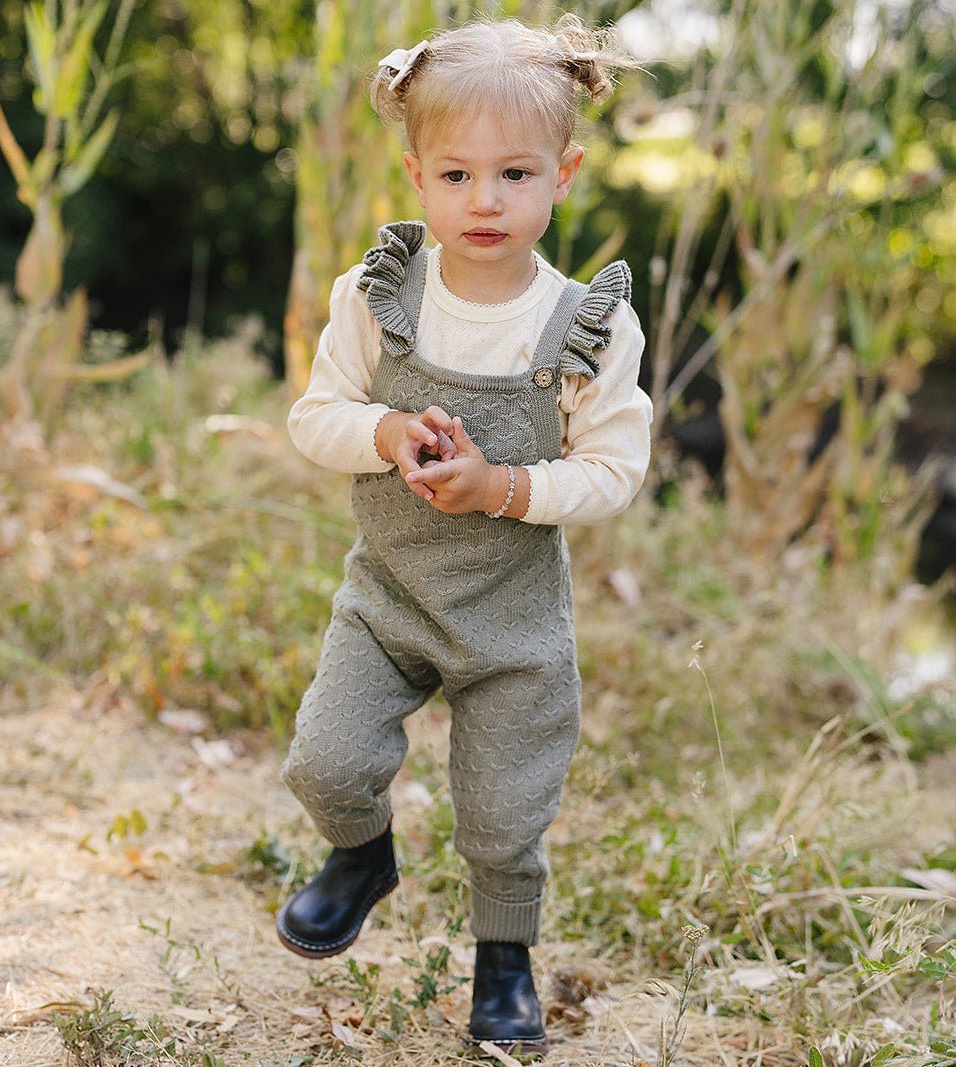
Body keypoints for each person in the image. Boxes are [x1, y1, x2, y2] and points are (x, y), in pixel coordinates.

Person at [278, 13, 652, 1058]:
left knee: (502, 816)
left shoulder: (587, 325)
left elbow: (613, 471)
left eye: (514, 174)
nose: (483, 201)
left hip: (510, 618)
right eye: (455, 175)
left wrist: (499, 485)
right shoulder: (377, 296)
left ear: (563, 174)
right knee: (324, 759)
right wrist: (386, 429)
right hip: (388, 597)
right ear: (415, 175)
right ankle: (359, 858)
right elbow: (313, 416)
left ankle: (503, 963)